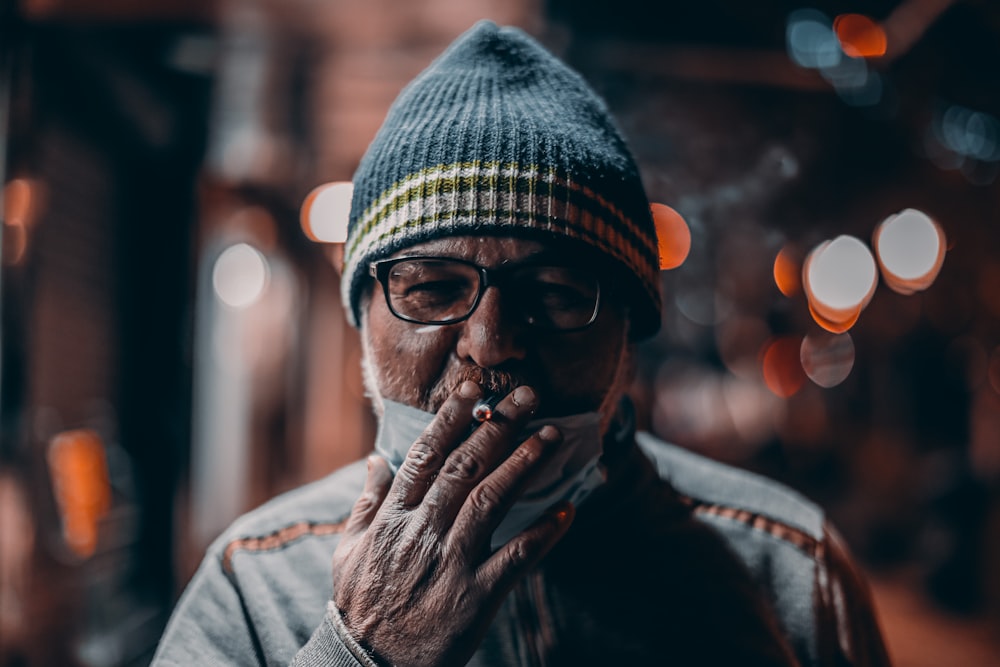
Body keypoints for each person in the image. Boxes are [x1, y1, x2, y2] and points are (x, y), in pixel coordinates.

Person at [153, 20, 891, 667]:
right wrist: (361, 654)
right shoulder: (254, 585)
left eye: (557, 294)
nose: (491, 344)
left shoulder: (788, 571)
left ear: (628, 341)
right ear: (363, 324)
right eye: (433, 289)